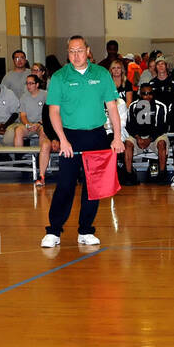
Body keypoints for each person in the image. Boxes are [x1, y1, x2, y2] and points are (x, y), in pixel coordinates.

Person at [40, 36, 123, 248]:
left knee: (93, 187)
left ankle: (86, 230)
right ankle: (54, 231)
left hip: (96, 136)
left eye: (79, 50)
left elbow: (112, 107)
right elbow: (54, 111)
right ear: (67, 53)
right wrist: (63, 140)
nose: (75, 55)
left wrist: (116, 137)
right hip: (70, 137)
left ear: (87, 50)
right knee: (65, 186)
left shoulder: (102, 74)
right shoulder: (59, 77)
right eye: (71, 51)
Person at [124, 82, 172, 184]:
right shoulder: (133, 106)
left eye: (150, 93)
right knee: (128, 143)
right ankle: (128, 175)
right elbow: (129, 126)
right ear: (140, 94)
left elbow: (162, 127)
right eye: (144, 94)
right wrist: (138, 138)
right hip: (138, 137)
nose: (147, 96)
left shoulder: (161, 106)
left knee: (162, 142)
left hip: (155, 137)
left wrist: (149, 139)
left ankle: (162, 174)